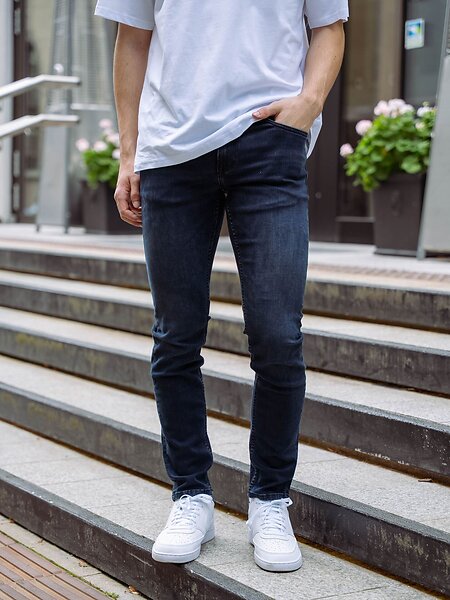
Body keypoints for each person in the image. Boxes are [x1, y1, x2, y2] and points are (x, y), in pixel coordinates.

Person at [95, 0, 348, 573]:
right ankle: (192, 496)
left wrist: (308, 103)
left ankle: (270, 501)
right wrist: (129, 152)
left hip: (269, 140)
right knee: (176, 337)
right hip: (172, 152)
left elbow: (329, 26)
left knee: (278, 336)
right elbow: (132, 38)